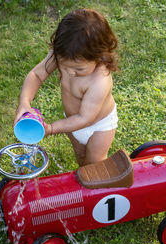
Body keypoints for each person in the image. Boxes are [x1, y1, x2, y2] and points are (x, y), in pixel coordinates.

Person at [14, 8, 119, 167]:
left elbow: (85, 118)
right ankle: (84, 183)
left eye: (79, 69)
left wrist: (51, 128)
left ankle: (98, 187)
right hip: (72, 121)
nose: (71, 72)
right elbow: (37, 75)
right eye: (64, 65)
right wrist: (24, 102)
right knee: (80, 156)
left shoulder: (99, 81)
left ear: (100, 56)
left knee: (94, 164)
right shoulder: (66, 54)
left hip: (98, 127)